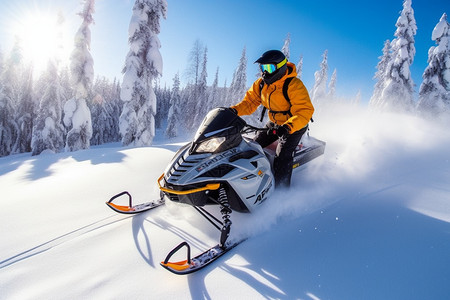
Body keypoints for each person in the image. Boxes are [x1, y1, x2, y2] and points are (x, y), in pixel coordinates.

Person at [230, 49, 314, 188]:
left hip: (294, 125)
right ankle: (250, 183)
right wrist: (233, 111)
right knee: (253, 147)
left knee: (282, 157)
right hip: (275, 123)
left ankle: (282, 192)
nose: (265, 72)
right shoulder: (261, 84)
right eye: (263, 67)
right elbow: (249, 103)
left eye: (269, 67)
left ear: (280, 67)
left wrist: (288, 127)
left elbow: (304, 111)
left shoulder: (293, 85)